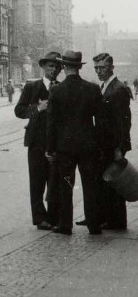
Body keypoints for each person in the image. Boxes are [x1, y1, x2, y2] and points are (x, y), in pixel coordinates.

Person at [46, 50, 107, 235]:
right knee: (90, 185)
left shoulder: (56, 90)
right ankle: (94, 225)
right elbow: (101, 121)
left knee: (66, 185)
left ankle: (65, 225)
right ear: (79, 68)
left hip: (65, 149)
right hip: (88, 148)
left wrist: (50, 149)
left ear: (64, 67)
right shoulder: (92, 89)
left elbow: (52, 123)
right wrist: (98, 144)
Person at [14, 51, 62, 230]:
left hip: (55, 143)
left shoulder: (63, 88)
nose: (54, 69)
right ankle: (40, 218)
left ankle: (54, 217)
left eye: (57, 67)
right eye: (50, 66)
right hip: (36, 142)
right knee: (36, 182)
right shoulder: (32, 87)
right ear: (43, 67)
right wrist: (37, 108)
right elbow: (19, 111)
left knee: (55, 181)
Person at [85, 53, 131, 230]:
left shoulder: (118, 89)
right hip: (105, 145)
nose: (99, 71)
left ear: (111, 67)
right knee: (107, 182)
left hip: (113, 145)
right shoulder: (106, 86)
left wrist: (119, 148)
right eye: (96, 68)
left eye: (102, 67)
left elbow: (122, 122)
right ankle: (109, 218)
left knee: (115, 183)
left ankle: (117, 221)